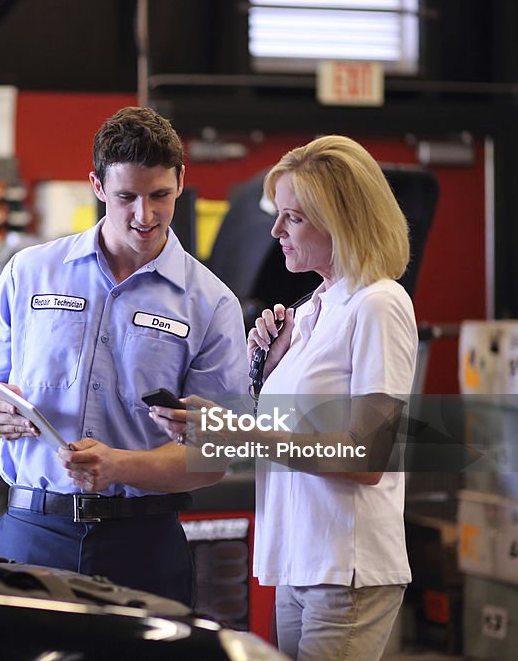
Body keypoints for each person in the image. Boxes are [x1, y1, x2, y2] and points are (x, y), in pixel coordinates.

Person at [0, 106, 251, 605]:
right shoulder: (30, 273)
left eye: (160, 195)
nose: (144, 216)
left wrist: (121, 467)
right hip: (31, 533)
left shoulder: (211, 302)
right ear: (96, 186)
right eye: (126, 197)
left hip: (143, 545)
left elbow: (216, 455)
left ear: (181, 180)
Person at [152, 135, 416, 659]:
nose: (276, 232)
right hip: (300, 559)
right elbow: (291, 437)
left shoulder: (379, 305)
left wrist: (243, 431)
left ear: (339, 222)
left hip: (345, 567)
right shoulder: (316, 308)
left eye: (292, 218)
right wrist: (247, 395)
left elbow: (367, 456)